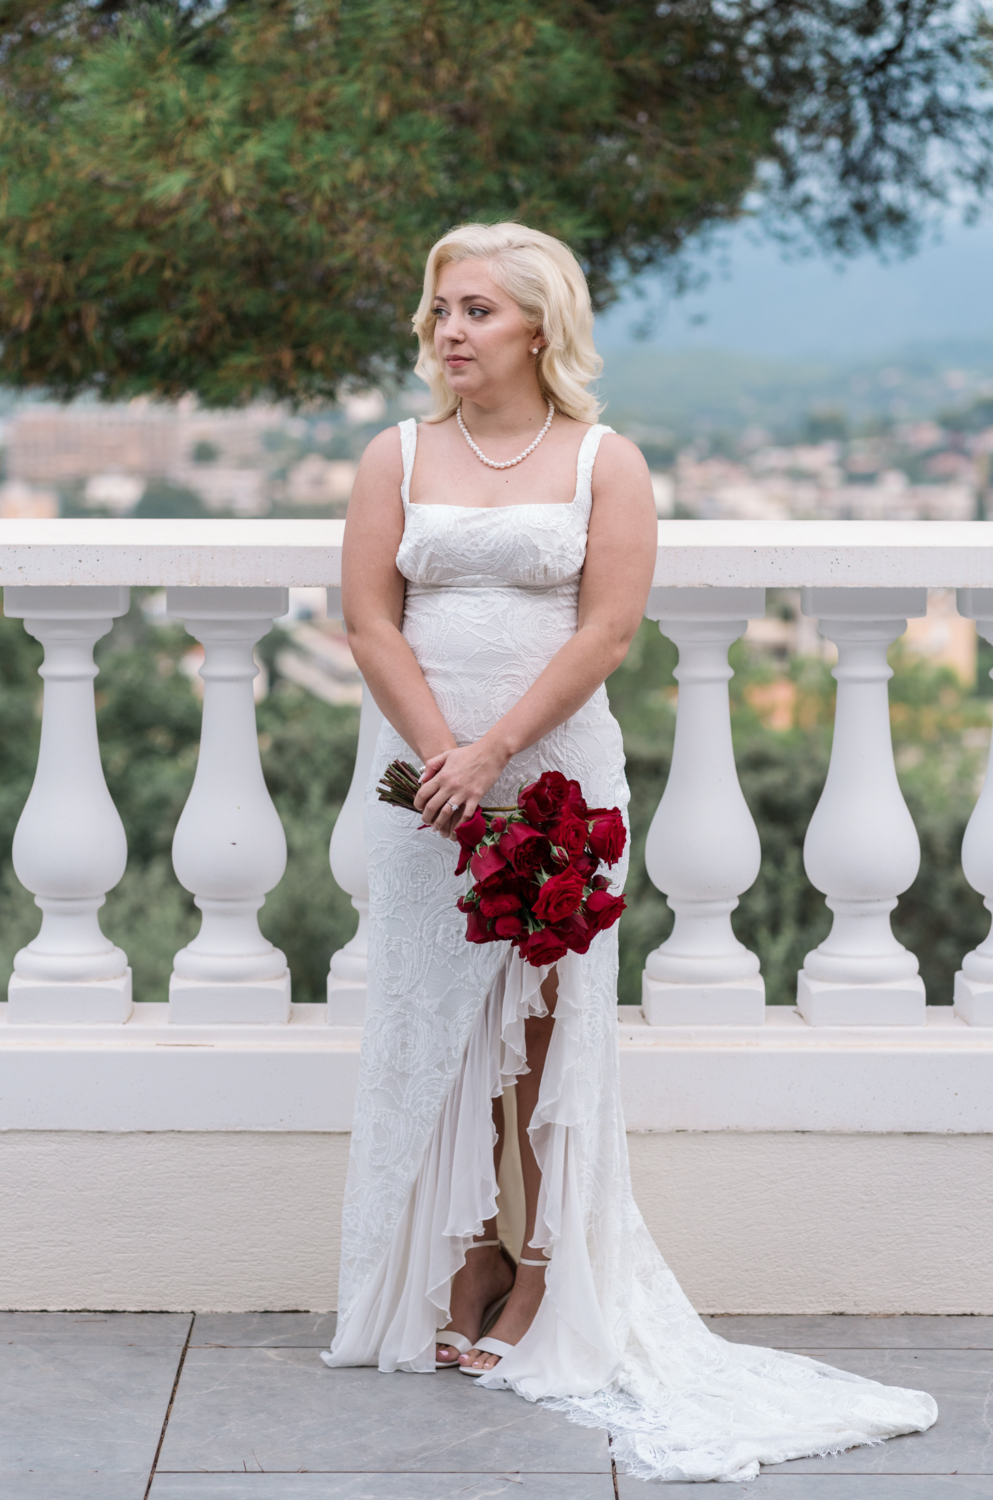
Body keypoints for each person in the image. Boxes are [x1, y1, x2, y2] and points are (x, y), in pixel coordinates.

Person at [322, 221, 936, 1483]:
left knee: (548, 1014)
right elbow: (369, 621)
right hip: (420, 776)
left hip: (548, 768)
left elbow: (606, 632)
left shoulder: (607, 460)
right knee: (441, 1017)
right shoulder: (394, 454)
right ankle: (468, 1249)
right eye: (438, 308)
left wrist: (494, 757)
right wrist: (444, 758)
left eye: (475, 310)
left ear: (538, 328)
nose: (445, 330)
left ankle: (547, 1271)